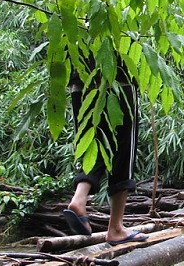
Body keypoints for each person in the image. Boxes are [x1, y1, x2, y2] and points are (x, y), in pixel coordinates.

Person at [63, 59, 148, 246]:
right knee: (123, 154)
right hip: (119, 80)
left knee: (91, 145)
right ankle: (116, 228)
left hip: (80, 80)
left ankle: (79, 198)